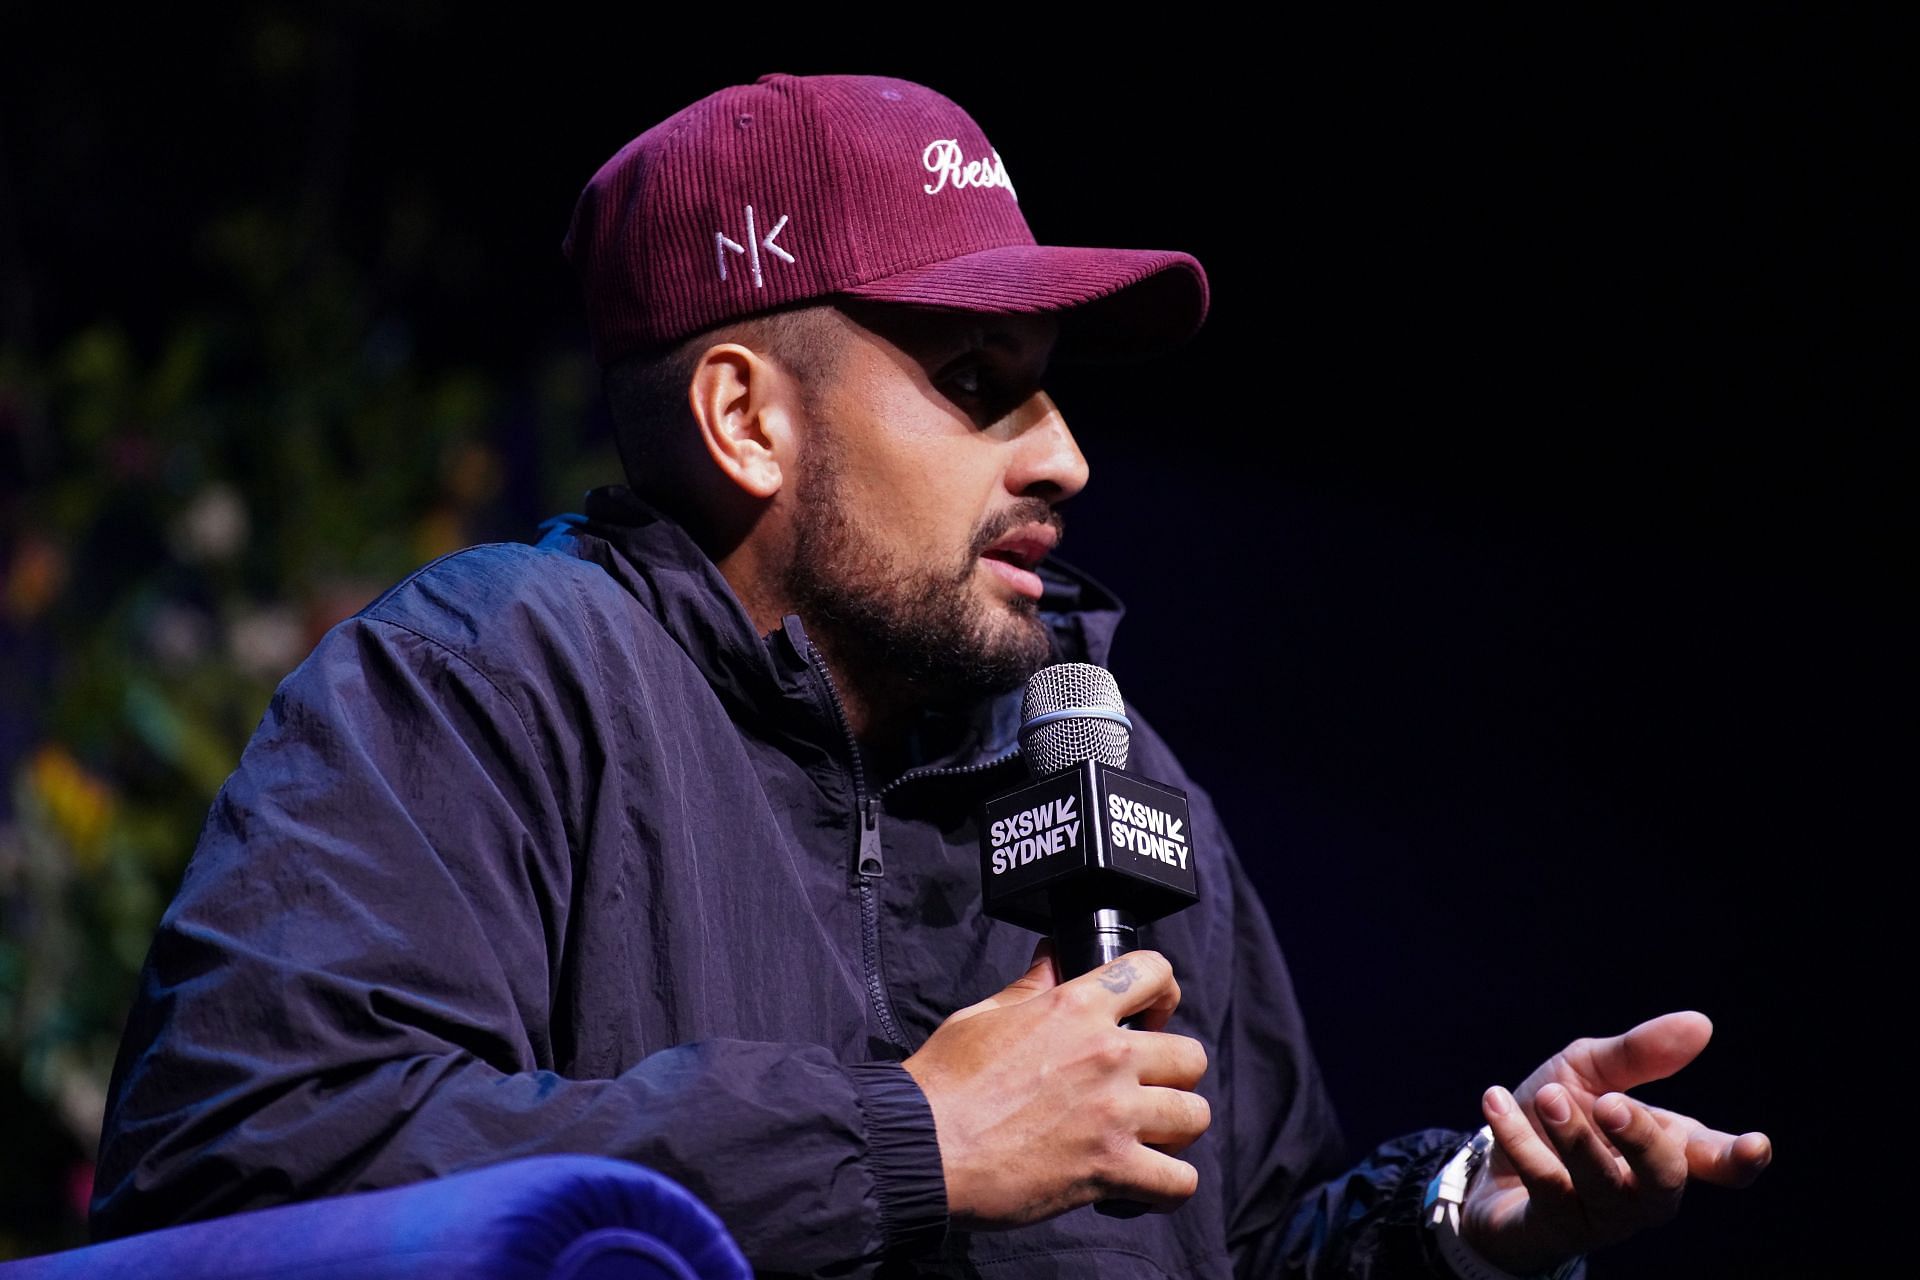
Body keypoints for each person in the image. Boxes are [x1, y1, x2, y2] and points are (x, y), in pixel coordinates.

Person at [90, 73, 1771, 1278]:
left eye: (1051, 387)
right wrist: (909, 1143)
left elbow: (1261, 1236)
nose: (1069, 458)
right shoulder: (481, 688)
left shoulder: (1111, 770)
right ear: (749, 419)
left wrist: (1463, 1220)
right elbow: (247, 1175)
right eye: (980, 382)